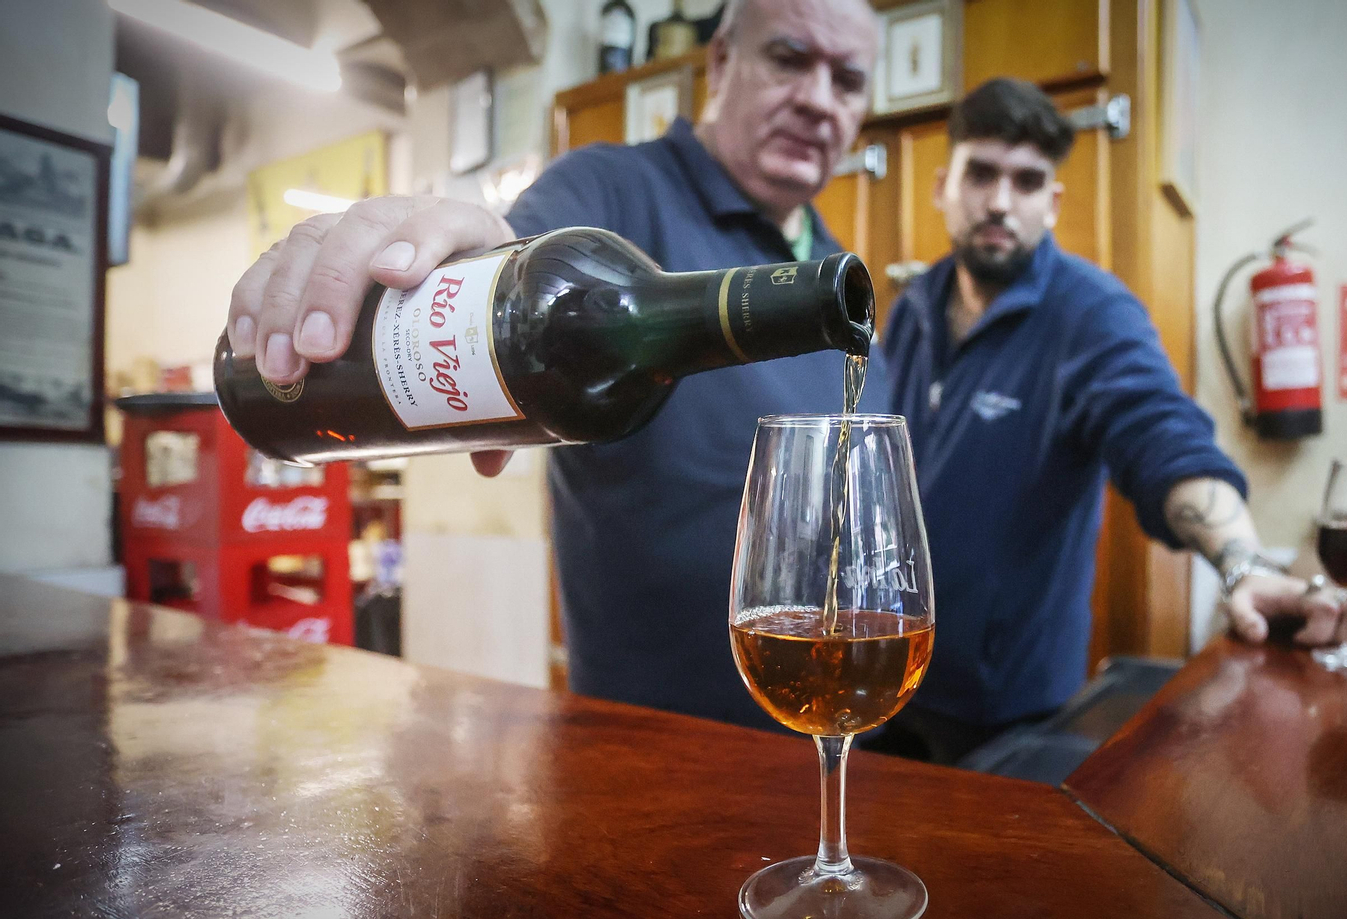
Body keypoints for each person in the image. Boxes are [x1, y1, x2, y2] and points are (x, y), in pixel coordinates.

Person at [224, 0, 885, 729]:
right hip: (648, 745)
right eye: (790, 59)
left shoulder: (832, 277)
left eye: (848, 81)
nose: (820, 100)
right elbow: (519, 261)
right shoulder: (612, 189)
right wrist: (469, 251)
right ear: (722, 62)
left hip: (830, 732)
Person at [871, 78, 1347, 765]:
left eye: (1026, 182)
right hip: (886, 673)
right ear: (942, 186)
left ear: (1051, 204)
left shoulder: (1092, 313)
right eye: (980, 173)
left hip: (1006, 703)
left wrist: (1244, 564)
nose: (998, 201)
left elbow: (1163, 435)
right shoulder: (914, 304)